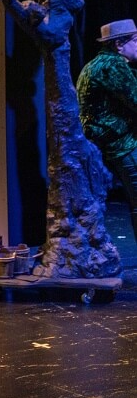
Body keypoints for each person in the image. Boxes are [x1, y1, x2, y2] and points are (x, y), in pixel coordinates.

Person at [76, 19, 137, 238]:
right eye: (136, 40)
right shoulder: (112, 65)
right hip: (119, 144)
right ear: (119, 45)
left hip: (105, 141)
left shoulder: (97, 64)